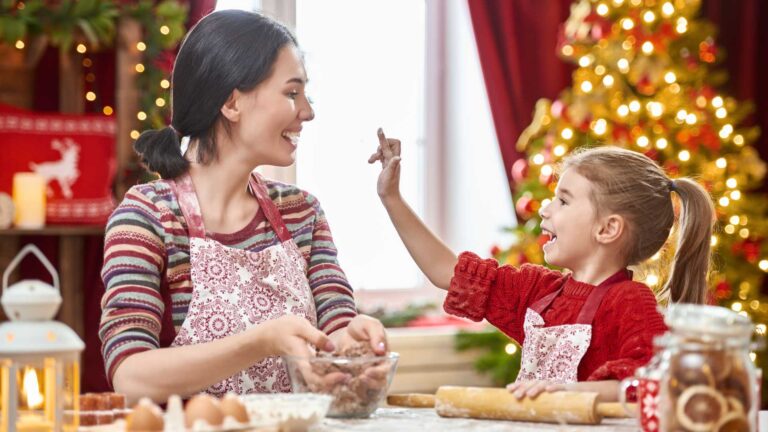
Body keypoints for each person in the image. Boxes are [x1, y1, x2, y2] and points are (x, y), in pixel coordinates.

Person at [99, 10, 387, 404]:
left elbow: (335, 328)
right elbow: (131, 376)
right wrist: (261, 342)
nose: (308, 111)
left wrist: (352, 344)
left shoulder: (301, 213)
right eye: (291, 93)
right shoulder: (148, 217)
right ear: (232, 103)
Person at [369, 130, 714, 402]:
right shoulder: (538, 291)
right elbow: (447, 271)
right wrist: (392, 198)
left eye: (563, 200)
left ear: (608, 229)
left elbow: (654, 380)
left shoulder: (630, 303)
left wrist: (570, 394)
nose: (546, 210)